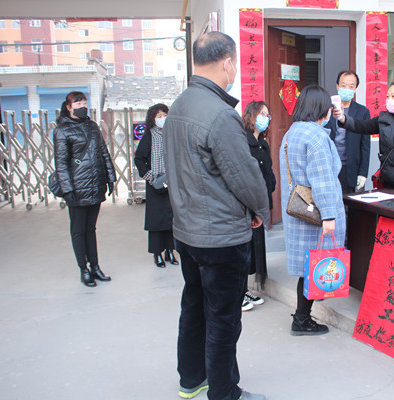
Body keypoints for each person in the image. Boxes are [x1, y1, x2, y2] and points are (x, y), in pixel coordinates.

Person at [163, 32, 269, 400]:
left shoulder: (178, 106)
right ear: (227, 63)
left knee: (194, 306)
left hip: (187, 231)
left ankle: (192, 378)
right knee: (223, 317)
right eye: (235, 63)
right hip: (220, 236)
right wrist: (260, 210)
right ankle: (224, 392)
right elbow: (245, 176)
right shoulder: (221, 114)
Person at [279, 84, 346, 336]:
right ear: (322, 109)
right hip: (316, 213)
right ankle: (302, 320)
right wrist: (329, 215)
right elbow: (323, 179)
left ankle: (302, 316)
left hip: (299, 210)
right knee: (315, 265)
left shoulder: (292, 133)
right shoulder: (316, 136)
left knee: (308, 265)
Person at [53, 91, 116, 287]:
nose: (82, 106)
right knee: (78, 231)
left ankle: (95, 267)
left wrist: (110, 177)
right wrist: (67, 189)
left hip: (95, 184)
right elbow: (61, 163)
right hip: (77, 188)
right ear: (69, 107)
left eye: (84, 103)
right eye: (77, 103)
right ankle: (84, 270)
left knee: (91, 229)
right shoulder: (62, 131)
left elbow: (103, 152)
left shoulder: (92, 126)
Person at [241, 101, 276, 311]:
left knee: (254, 250)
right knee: (244, 250)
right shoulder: (243, 142)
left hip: (261, 203)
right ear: (251, 116)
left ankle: (244, 290)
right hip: (248, 205)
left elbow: (267, 171)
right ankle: (238, 294)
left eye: (267, 115)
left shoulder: (262, 142)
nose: (265, 118)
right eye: (262, 114)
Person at [134, 103, 179, 268]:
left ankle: (170, 251)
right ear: (152, 119)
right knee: (156, 222)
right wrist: (149, 177)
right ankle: (157, 253)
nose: (162, 119)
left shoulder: (173, 135)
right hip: (155, 184)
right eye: (159, 116)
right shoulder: (149, 136)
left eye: (165, 115)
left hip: (171, 183)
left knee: (171, 220)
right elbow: (139, 159)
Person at [327, 70, 371, 194]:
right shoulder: (327, 109)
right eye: (343, 85)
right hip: (330, 165)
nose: (347, 89)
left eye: (351, 86)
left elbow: (365, 145)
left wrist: (363, 173)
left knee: (350, 202)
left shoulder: (362, 112)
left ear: (355, 88)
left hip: (351, 167)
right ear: (337, 86)